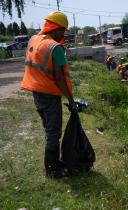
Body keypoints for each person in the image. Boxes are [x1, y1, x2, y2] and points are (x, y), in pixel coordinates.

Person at [20, 11, 78, 178]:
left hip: (36, 93)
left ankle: (54, 163)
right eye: (63, 30)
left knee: (49, 129)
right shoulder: (55, 48)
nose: (64, 34)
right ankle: (52, 169)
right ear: (56, 28)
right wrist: (71, 100)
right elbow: (60, 79)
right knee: (53, 132)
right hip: (50, 95)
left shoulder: (33, 40)